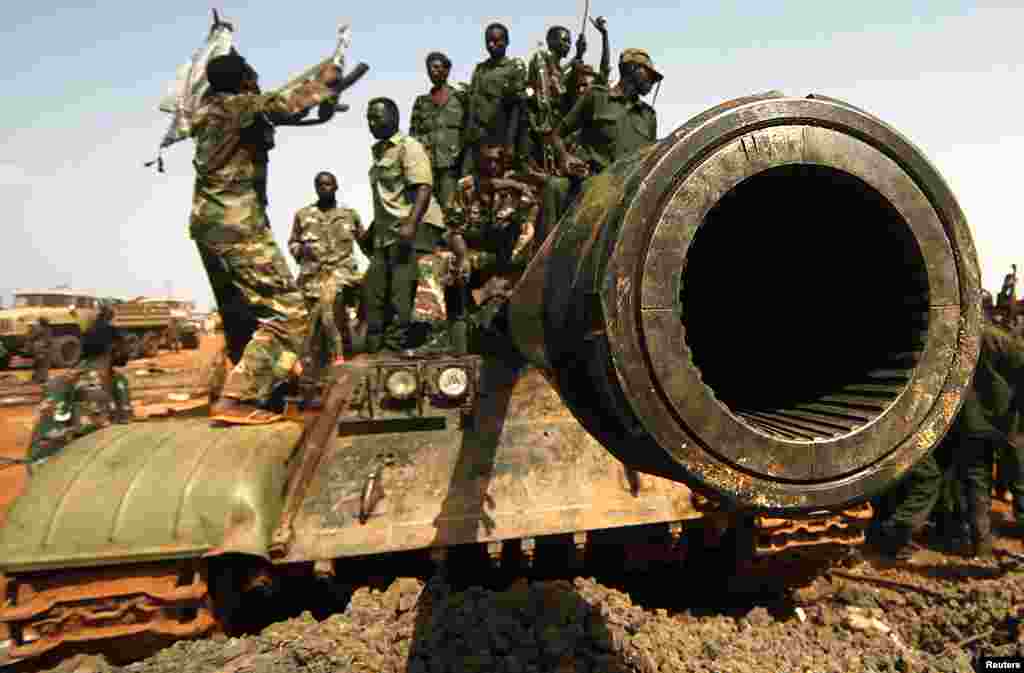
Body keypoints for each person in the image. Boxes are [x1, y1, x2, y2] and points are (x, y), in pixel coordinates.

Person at [189, 50, 342, 424]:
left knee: (243, 316)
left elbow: (272, 117)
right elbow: (283, 104)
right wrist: (326, 79)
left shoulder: (212, 112)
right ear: (242, 81)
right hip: (238, 224)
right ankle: (238, 398)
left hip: (209, 224)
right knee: (289, 314)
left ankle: (262, 392)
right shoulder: (239, 106)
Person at [869, 316, 1024, 559]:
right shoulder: (999, 339)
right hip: (987, 420)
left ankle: (964, 535)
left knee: (964, 480)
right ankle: (975, 542)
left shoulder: (950, 334)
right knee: (974, 480)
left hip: (952, 418)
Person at [406, 142, 537, 357]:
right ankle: (436, 335)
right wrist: (462, 256)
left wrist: (510, 185)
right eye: (487, 161)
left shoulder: (519, 186)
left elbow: (527, 226)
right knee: (430, 264)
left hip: (509, 257)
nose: (493, 165)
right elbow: (453, 228)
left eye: (497, 160)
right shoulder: (465, 186)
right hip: (474, 252)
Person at [539, 48, 661, 244]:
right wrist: (565, 157)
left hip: (630, 193)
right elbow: (556, 135)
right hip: (594, 184)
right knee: (555, 188)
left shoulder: (649, 116)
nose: (652, 81)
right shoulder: (596, 97)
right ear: (631, 69)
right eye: (649, 74)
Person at [363, 97, 448, 353]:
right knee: (373, 291)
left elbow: (423, 186)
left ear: (394, 117)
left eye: (377, 117)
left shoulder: (409, 147)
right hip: (386, 234)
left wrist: (411, 225)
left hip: (412, 228)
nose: (371, 122)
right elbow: (387, 200)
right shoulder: (380, 153)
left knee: (403, 292)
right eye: (368, 118)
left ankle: (397, 349)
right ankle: (376, 348)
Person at [27, 303, 132, 463]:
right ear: (112, 348)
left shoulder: (119, 383)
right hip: (69, 471)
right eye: (125, 344)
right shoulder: (64, 385)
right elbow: (41, 452)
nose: (129, 350)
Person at [288, 171, 365, 366]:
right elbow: (293, 243)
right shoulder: (303, 215)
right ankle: (310, 364)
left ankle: (340, 356)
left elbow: (365, 243)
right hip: (312, 277)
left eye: (328, 184)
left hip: (343, 275)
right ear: (316, 188)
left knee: (332, 307)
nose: (325, 188)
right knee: (307, 325)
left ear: (336, 186)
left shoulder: (349, 215)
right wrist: (301, 250)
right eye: (320, 185)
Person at [463, 23, 528, 176]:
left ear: (506, 41)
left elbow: (516, 108)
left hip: (500, 138)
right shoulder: (480, 69)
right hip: (477, 140)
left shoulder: (513, 68)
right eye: (488, 41)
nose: (492, 45)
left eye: (497, 40)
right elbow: (473, 105)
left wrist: (510, 143)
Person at [410, 52, 468, 211]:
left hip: (452, 166)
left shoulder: (460, 98)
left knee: (451, 211)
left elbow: (469, 131)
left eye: (437, 67)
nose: (432, 72)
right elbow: (413, 135)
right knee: (428, 213)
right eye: (429, 69)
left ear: (447, 70)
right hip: (427, 168)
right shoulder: (421, 102)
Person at [27, 317, 53, 384]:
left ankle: (38, 379)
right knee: (43, 365)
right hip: (45, 350)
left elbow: (30, 338)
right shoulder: (49, 330)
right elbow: (49, 341)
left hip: (40, 350)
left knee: (39, 365)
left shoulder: (38, 329)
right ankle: (42, 379)